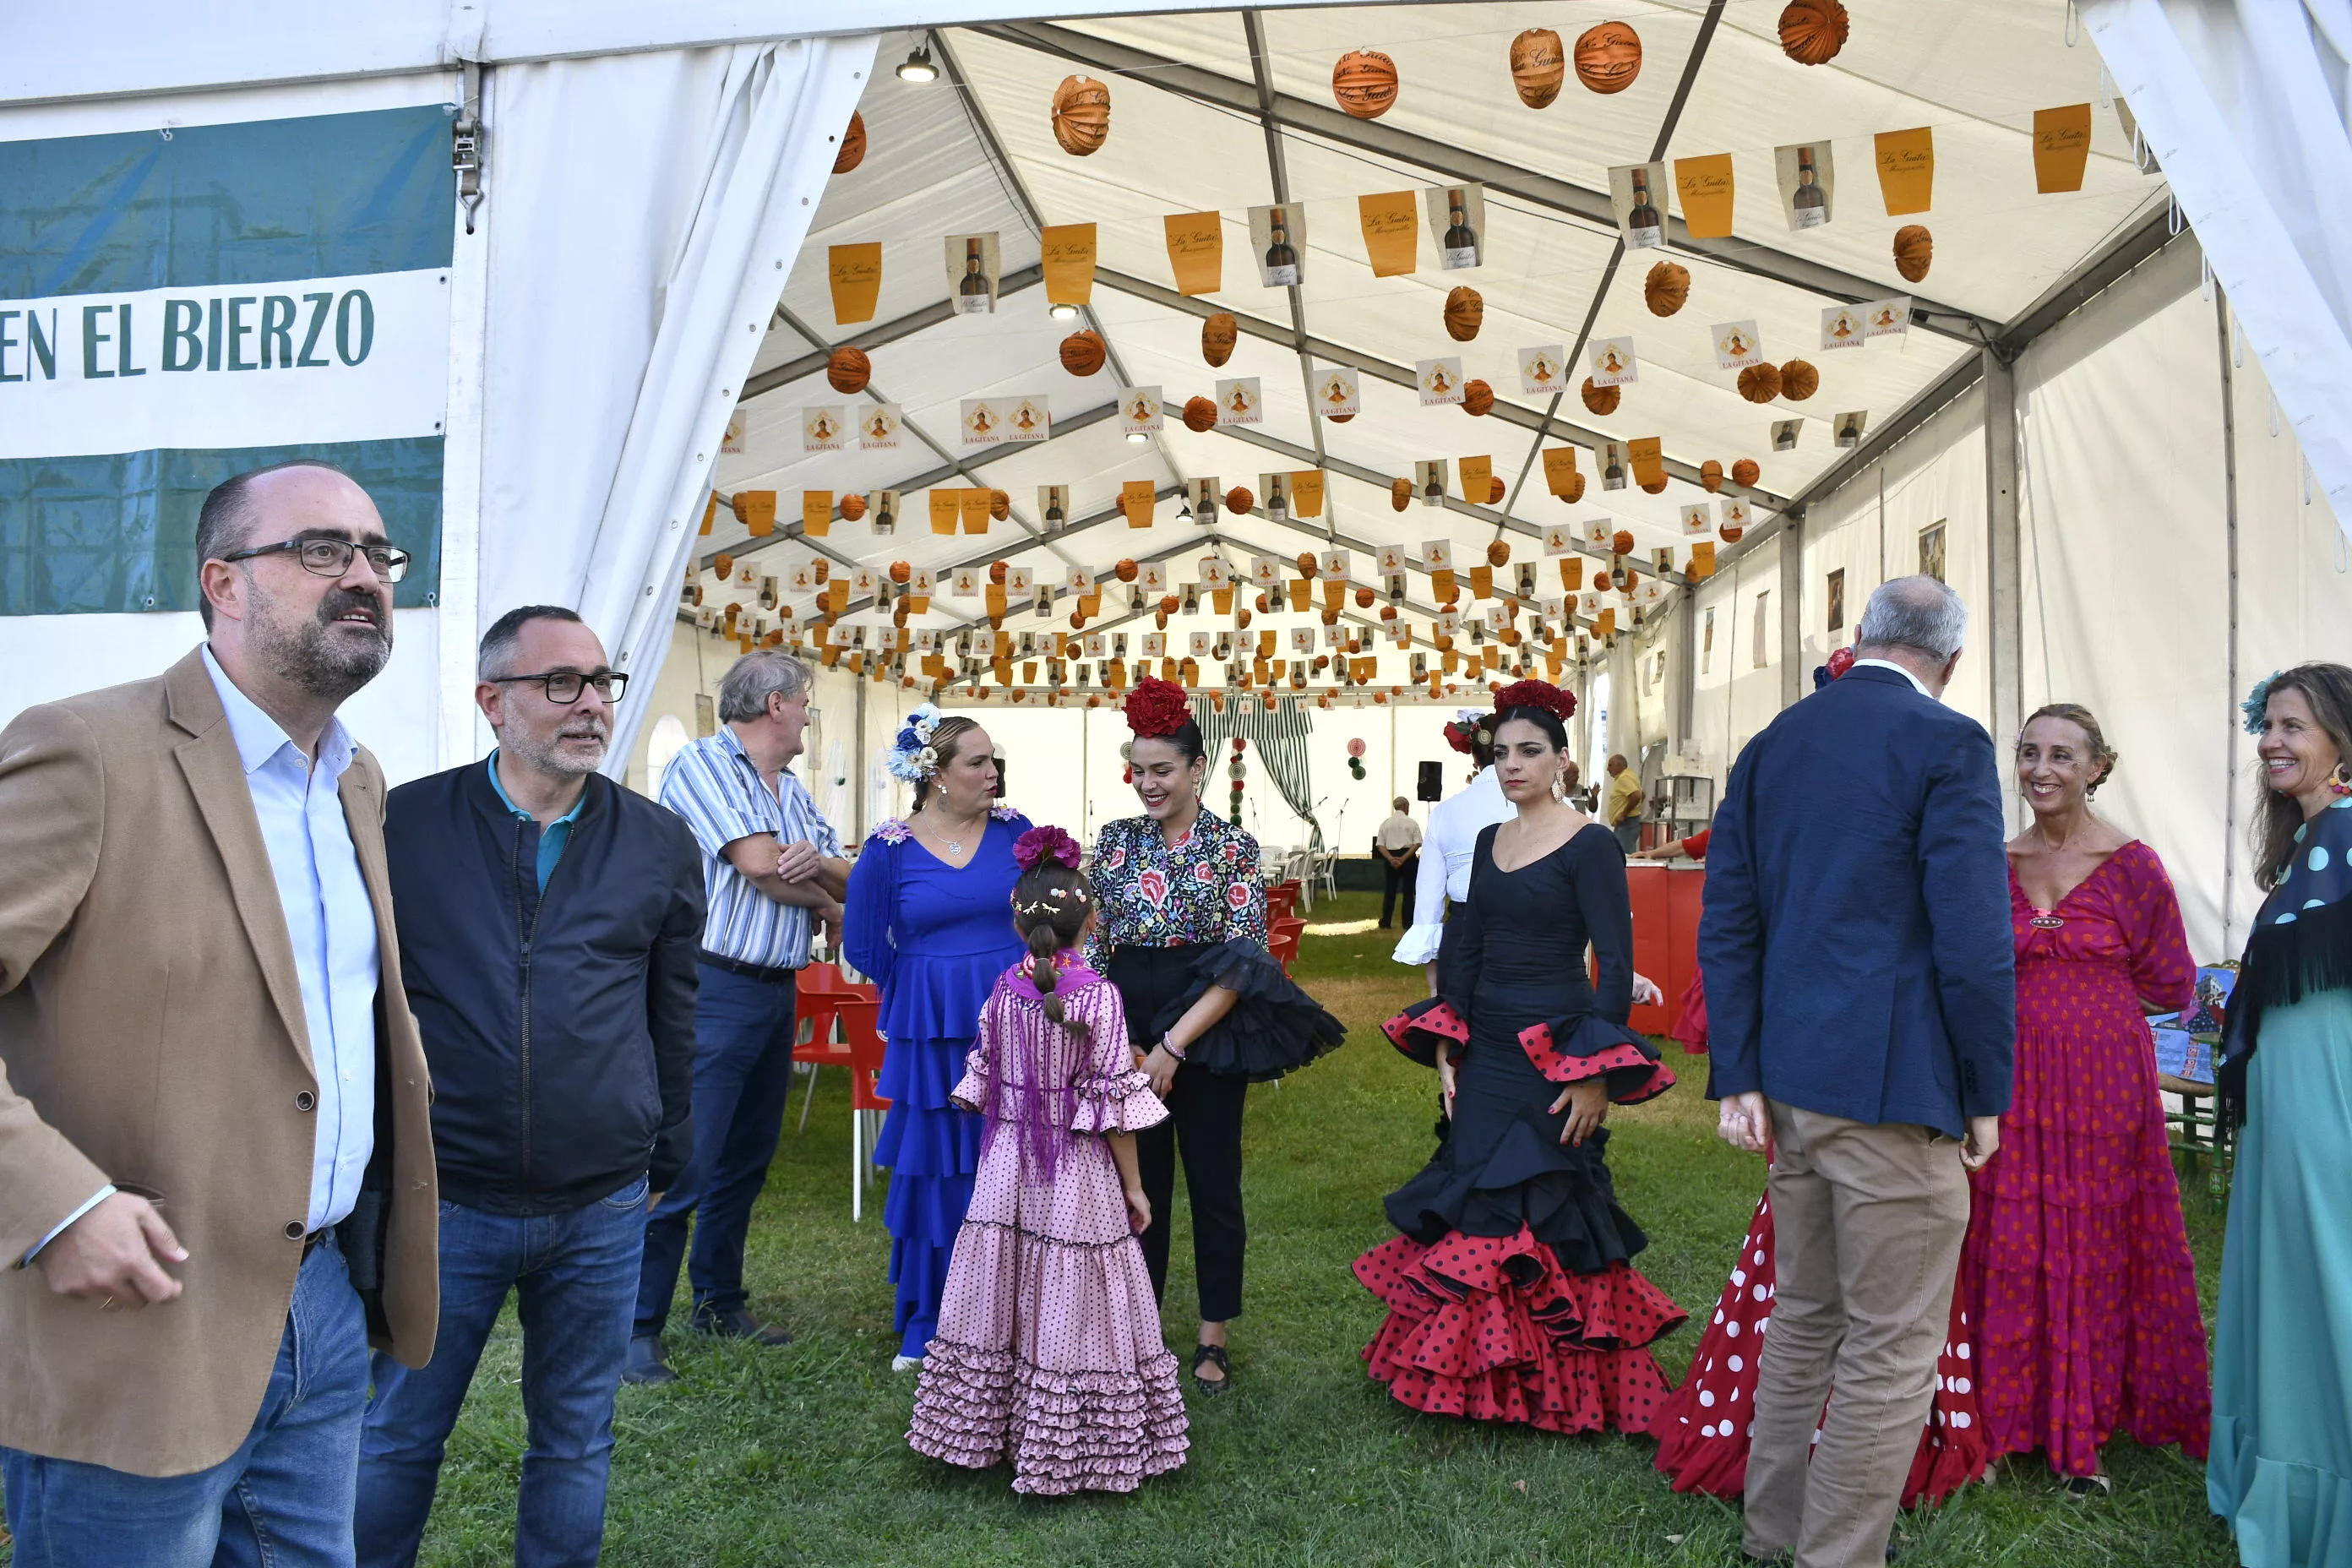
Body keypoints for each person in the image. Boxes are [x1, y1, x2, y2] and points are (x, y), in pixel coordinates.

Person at [0, 460, 438, 1564]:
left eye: (378, 555)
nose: (365, 577)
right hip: (136, 1322)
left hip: (328, 1301)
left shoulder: (358, 780)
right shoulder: (87, 750)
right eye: (322, 550)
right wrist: (55, 1205)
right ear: (223, 584)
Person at [358, 607, 703, 1565]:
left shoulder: (661, 844)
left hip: (600, 1203)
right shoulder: (401, 825)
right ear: (491, 701)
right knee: (396, 1431)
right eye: (562, 683)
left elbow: (673, 1015)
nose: (591, 703)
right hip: (444, 1199)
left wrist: (663, 1151)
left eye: (600, 682)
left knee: (575, 1439)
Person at [1700, 575, 2013, 1568]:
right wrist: (1985, 1089)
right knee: (1887, 1346)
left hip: (1793, 1080)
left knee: (1805, 1318)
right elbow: (1973, 939)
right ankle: (1832, 1556)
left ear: (1862, 637)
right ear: (1949, 660)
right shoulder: (1948, 743)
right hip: (1889, 1087)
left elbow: (1730, 919)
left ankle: (1773, 1532)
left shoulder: (1772, 742)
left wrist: (1741, 1068)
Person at [1358, 679, 1683, 1435]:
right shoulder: (1484, 839)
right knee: (1472, 1194)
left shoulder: (1592, 843)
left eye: (1529, 752)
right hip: (1487, 1047)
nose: (1512, 766)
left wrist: (1596, 1070)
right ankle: (1472, 1378)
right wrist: (1447, 1044)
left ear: (1563, 763)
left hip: (1555, 1046)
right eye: (1501, 753)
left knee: (1550, 1202)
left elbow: (1614, 955)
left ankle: (1559, 1384)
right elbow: (1465, 950)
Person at [1966, 703, 2208, 1489]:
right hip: (2008, 1080)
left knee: (2094, 1245)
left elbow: (2171, 980)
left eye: (2063, 756)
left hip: (2105, 1085)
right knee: (2003, 1239)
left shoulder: (2135, 866)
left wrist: (2088, 1008)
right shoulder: (1992, 860)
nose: (2042, 769)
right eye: (2030, 753)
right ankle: (1998, 1426)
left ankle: (2083, 1432)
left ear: (2099, 767)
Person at [906, 825, 1189, 1493]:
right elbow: (1114, 1106)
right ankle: (1072, 1437)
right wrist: (1137, 1187)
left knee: (1009, 1282)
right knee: (1073, 1290)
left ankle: (994, 1428)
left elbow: (985, 1078)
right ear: (1092, 921)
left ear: (1015, 919)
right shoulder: (1100, 997)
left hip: (1009, 1169)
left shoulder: (1005, 988)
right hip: (1076, 1171)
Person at [1086, 677, 1344, 1395]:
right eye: (1138, 770)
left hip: (1207, 1028)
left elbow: (1243, 963)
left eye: (1162, 769)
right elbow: (1100, 952)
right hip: (1128, 1032)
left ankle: (1213, 1336)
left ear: (1197, 769)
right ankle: (1139, 1330)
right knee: (1140, 1187)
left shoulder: (1232, 848)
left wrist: (1173, 1048)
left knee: (1212, 1184)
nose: (1147, 783)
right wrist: (1124, 1045)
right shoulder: (1114, 843)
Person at [629, 650, 848, 1385]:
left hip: (774, 988)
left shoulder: (789, 788)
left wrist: (817, 871)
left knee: (746, 1158)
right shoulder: (702, 763)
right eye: (808, 703)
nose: (811, 717)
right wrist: (822, 894)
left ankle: (719, 1301)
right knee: (685, 1160)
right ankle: (636, 1327)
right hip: (712, 986)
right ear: (777, 705)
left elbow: (847, 868)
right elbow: (758, 862)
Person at [2209, 663, 2352, 1566]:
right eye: (2267, 724)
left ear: (2343, 738)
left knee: (2322, 1270)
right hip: (2290, 1097)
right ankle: (2283, 1470)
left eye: (2293, 725)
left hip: (2325, 1096)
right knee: (2284, 1270)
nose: (2272, 739)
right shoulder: (2313, 844)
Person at [841, 706, 1031, 1371]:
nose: (992, 772)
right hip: (933, 1036)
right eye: (977, 762)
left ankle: (1023, 1313)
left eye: (993, 760)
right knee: (942, 1170)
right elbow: (864, 944)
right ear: (937, 776)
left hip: (1017, 1021)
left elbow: (1055, 915)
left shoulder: (1020, 834)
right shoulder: (887, 850)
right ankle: (935, 1315)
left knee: (1017, 1165)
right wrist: (927, 984)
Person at [1392, 710, 1516, 986]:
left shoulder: (1445, 812)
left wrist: (1437, 992)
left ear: (1473, 757)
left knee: (1459, 1025)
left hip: (1463, 937)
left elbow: (1428, 901)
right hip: (1532, 939)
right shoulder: (1550, 807)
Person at [1375, 797, 1423, 930]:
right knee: (1408, 892)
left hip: (1390, 857)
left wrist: (1391, 859)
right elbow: (1417, 843)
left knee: (1390, 891)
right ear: (1406, 806)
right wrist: (1403, 858)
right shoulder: (1412, 823)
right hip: (1408, 858)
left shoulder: (1386, 823)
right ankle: (1407, 922)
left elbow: (1380, 844)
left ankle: (1386, 921)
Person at [1604, 753, 1645, 855]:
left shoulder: (1624, 778)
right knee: (1620, 853)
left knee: (1622, 855)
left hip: (1627, 823)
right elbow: (1642, 794)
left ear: (1619, 765)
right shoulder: (1630, 775)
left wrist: (1623, 814)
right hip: (1628, 823)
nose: (1608, 769)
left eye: (1610, 765)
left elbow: (1636, 796)